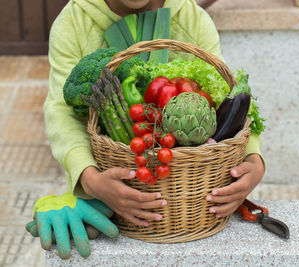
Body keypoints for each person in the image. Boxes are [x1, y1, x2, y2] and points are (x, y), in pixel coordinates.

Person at [31, 0, 265, 257]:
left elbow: (229, 98)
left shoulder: (192, 20)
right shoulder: (73, 22)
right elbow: (61, 110)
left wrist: (253, 157)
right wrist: (89, 178)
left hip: (193, 205)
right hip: (103, 202)